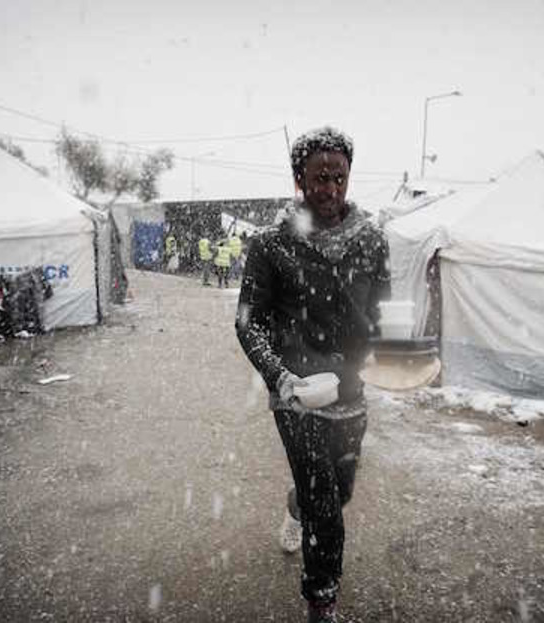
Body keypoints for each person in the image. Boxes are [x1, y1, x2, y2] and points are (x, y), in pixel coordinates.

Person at [236, 126, 390, 622]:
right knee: (325, 500)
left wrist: (396, 348)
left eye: (339, 178)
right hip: (296, 393)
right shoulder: (270, 246)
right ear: (298, 179)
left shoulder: (371, 240)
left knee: (339, 490)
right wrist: (280, 376)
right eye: (319, 177)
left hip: (350, 389)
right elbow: (248, 322)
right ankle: (321, 600)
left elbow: (383, 309)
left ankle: (294, 504)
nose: (329, 189)